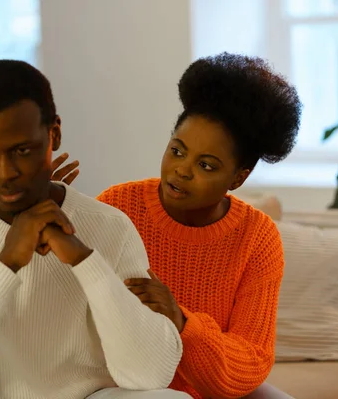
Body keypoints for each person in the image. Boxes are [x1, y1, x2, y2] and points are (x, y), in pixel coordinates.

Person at [0, 60, 189, 399]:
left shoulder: (110, 225)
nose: (4, 172)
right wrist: (6, 264)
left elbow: (151, 374)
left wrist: (84, 260)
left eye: (22, 151)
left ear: (54, 133)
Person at [52, 53, 302, 398]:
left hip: (214, 387)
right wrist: (40, 216)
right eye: (178, 150)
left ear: (239, 177)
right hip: (126, 386)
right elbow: (57, 302)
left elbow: (252, 361)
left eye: (208, 165)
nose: (181, 170)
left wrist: (182, 323)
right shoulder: (119, 205)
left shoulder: (257, 237)